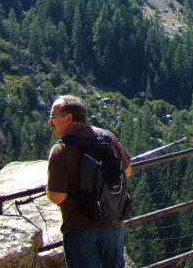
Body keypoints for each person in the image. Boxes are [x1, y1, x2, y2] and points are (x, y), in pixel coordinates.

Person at [47, 95, 133, 268]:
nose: (50, 121)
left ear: (69, 118)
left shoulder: (60, 149)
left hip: (81, 227)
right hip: (113, 223)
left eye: (53, 116)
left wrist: (48, 189)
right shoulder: (106, 137)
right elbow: (128, 171)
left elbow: (58, 197)